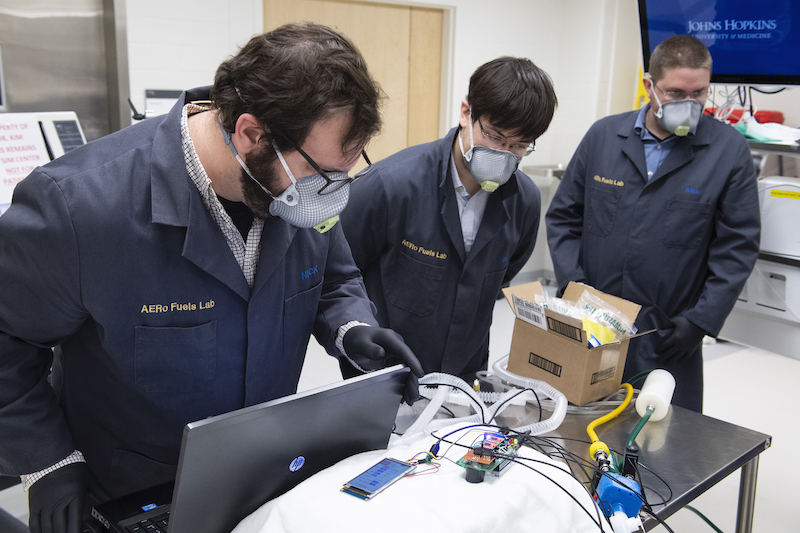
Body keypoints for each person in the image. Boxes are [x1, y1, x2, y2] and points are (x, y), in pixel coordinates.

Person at [0, 23, 423, 533]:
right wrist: (47, 459)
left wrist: (351, 328)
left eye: (345, 173)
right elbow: (8, 343)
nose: (331, 195)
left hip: (265, 478)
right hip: (136, 493)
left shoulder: (299, 195)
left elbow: (333, 280)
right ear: (250, 133)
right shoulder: (80, 208)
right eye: (321, 175)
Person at [546, 35, 760, 412]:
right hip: (595, 327)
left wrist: (700, 322)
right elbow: (564, 217)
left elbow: (737, 247)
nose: (688, 105)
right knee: (581, 439)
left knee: (663, 447)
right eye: (676, 92)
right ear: (649, 86)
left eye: (698, 94)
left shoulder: (728, 151)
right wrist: (573, 287)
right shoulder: (603, 137)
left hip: (670, 334)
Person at [339, 57, 557, 382]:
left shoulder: (524, 201)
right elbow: (339, 275)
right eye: (495, 138)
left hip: (466, 376)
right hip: (385, 374)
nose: (504, 154)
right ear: (466, 113)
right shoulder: (389, 185)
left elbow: (500, 280)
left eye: (519, 146)